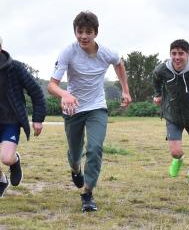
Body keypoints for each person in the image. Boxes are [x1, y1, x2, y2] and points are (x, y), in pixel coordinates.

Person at [47, 11, 131, 212]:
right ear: (75, 32)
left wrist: (125, 90)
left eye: (88, 32)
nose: (83, 36)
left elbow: (119, 63)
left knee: (94, 148)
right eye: (80, 31)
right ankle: (76, 169)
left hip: (96, 107)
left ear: (95, 33)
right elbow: (51, 85)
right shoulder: (68, 52)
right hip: (73, 108)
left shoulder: (106, 52)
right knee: (75, 155)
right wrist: (65, 95)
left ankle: (87, 194)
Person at [0, 31, 46, 198]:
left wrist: (38, 119)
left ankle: (15, 161)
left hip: (11, 120)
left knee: (6, 158)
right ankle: (1, 181)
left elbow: (36, 92)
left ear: (0, 48)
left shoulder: (15, 68)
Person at [153, 39, 189, 188]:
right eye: (174, 53)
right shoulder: (162, 69)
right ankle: (178, 159)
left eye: (181, 53)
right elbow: (156, 78)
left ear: (188, 54)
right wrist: (157, 94)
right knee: (175, 152)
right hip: (173, 116)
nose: (177, 57)